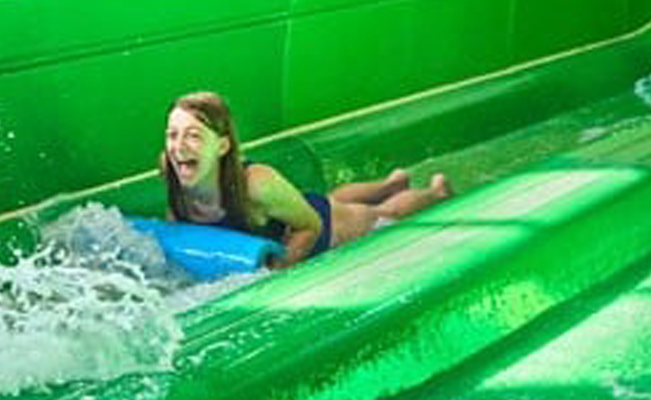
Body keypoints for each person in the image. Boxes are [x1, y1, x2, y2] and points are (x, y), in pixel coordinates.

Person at [160, 90, 454, 268]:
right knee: (335, 198)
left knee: (380, 215)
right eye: (173, 135)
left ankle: (435, 192)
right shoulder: (171, 167)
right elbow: (178, 220)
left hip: (317, 228)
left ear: (222, 146)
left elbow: (310, 224)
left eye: (194, 136)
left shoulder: (256, 184)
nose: (179, 146)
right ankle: (391, 183)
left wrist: (282, 271)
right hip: (285, 209)